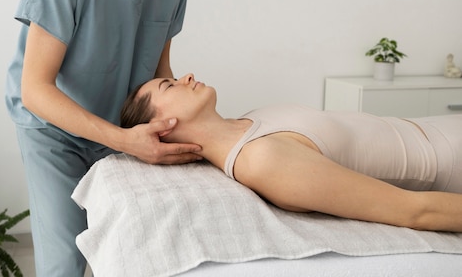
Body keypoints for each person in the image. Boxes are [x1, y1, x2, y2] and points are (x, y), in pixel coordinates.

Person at [5, 0, 202, 276]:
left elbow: (158, 67)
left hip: (123, 124)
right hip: (53, 131)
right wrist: (126, 141)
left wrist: (173, 126)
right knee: (66, 263)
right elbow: (36, 90)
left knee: (139, 248)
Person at [120, 73, 462, 232]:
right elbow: (413, 212)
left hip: (441, 128)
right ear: (161, 126)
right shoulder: (263, 161)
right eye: (168, 85)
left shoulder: (251, 118)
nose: (186, 76)